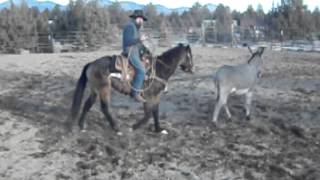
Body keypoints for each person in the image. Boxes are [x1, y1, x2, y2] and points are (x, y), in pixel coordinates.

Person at [122, 9, 148, 102]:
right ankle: (135, 93)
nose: (141, 21)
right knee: (141, 70)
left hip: (135, 51)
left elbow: (138, 45)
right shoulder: (130, 26)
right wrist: (139, 39)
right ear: (135, 18)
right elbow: (128, 41)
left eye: (142, 19)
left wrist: (146, 51)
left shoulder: (136, 29)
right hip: (130, 52)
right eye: (139, 18)